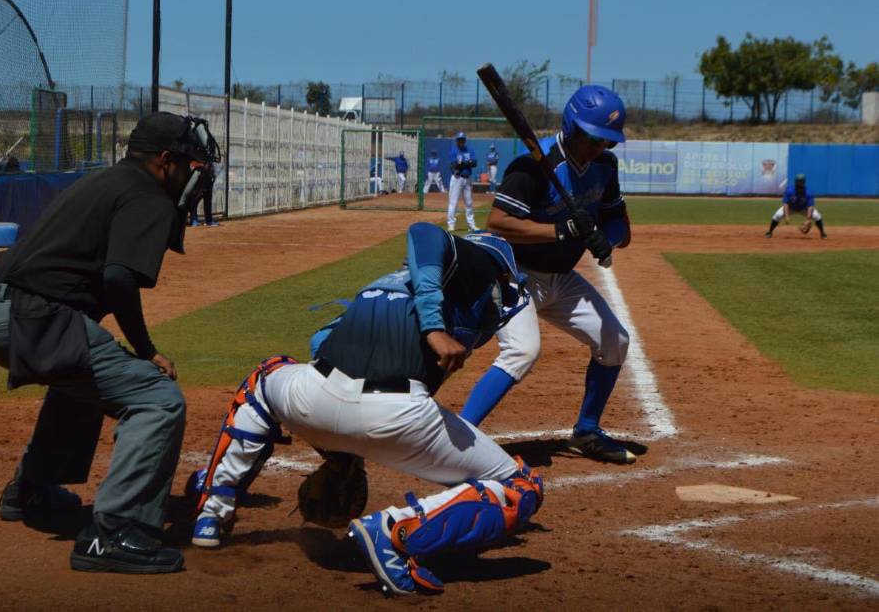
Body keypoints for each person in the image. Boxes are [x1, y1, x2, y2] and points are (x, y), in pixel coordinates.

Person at [187, 222, 543, 595]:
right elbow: (425, 231)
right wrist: (433, 327)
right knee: (521, 486)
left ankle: (213, 510)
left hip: (312, 397)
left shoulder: (383, 283)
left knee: (266, 377)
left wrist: (338, 448)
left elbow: (321, 342)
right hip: (396, 418)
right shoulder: (475, 270)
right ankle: (395, 532)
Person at [0, 111, 220, 574]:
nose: (195, 174)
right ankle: (116, 530)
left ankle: (32, 490)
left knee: (86, 380)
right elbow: (118, 277)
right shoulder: (149, 196)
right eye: (191, 163)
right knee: (157, 399)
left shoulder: (107, 180)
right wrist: (146, 350)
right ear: (165, 161)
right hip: (30, 315)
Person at [458, 85, 641, 465]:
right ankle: (456, 440)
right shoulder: (533, 164)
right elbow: (498, 222)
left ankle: (587, 431)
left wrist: (604, 239)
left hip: (561, 277)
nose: (600, 147)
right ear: (572, 127)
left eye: (608, 141)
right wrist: (560, 231)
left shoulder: (605, 166)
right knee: (522, 350)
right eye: (594, 139)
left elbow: (619, 225)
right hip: (515, 275)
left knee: (615, 341)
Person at [766, 174, 826, 239]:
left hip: (804, 209)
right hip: (791, 208)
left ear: (804, 182)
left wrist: (808, 220)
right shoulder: (789, 190)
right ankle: (769, 232)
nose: (799, 183)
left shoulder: (808, 192)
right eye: (798, 181)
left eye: (801, 181)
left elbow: (810, 206)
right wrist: (787, 216)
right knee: (777, 215)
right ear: (795, 181)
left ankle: (822, 233)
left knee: (817, 216)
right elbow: (785, 203)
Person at [447, 132, 477, 232]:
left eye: (462, 140)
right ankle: (451, 225)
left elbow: (475, 163)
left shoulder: (469, 149)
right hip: (457, 178)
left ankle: (471, 225)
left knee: (469, 203)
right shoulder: (454, 150)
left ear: (465, 140)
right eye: (459, 140)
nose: (461, 141)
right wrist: (467, 163)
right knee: (453, 202)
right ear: (457, 141)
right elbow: (455, 165)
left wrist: (462, 163)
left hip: (467, 179)